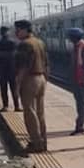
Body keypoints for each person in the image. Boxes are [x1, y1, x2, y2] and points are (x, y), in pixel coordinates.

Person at [13, 20, 49, 153]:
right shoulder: (40, 42)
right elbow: (47, 63)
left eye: (18, 30)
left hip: (29, 79)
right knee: (40, 112)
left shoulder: (24, 45)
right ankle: (43, 141)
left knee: (29, 112)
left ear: (25, 30)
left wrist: (17, 85)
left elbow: (22, 67)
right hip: (41, 78)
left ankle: (36, 142)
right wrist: (46, 79)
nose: (16, 33)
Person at [0, 26, 19, 111]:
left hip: (2, 69)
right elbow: (14, 55)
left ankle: (6, 106)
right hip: (12, 69)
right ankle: (16, 106)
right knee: (14, 88)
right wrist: (9, 55)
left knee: (4, 89)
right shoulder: (13, 43)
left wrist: (3, 55)